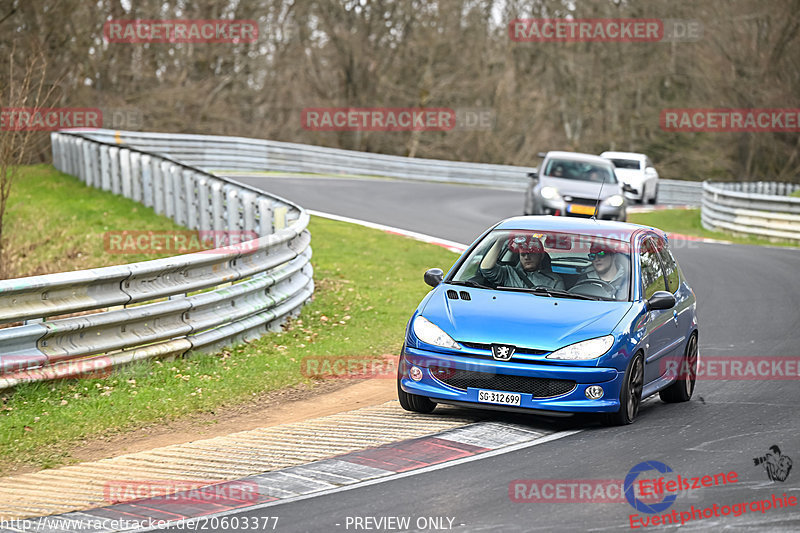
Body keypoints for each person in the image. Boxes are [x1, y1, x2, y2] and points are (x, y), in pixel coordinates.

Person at [480, 233, 564, 289]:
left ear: (541, 256)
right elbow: (486, 269)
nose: (526, 257)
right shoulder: (509, 272)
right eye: (523, 254)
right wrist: (501, 240)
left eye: (531, 253)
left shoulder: (555, 281)